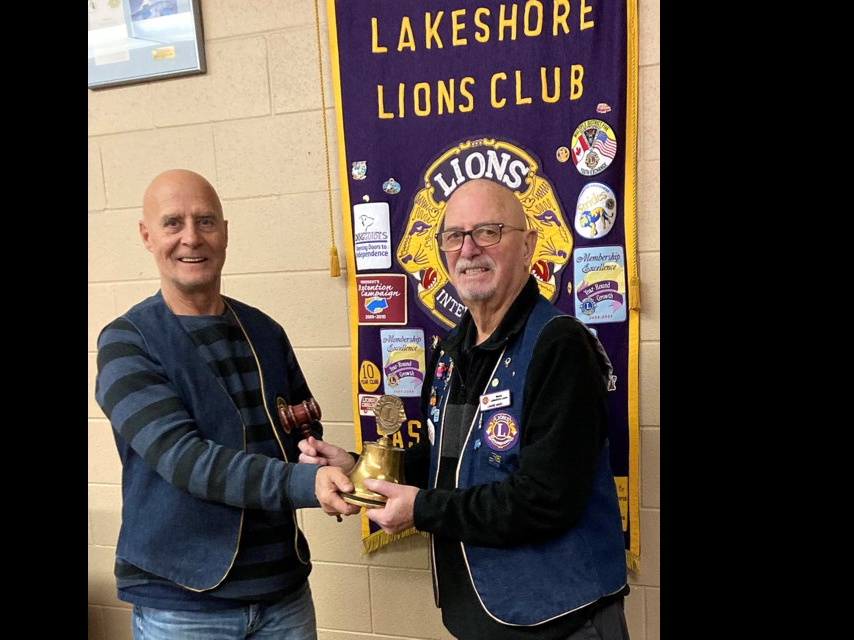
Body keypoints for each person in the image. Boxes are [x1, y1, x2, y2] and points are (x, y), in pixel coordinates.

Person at [301, 178, 629, 639]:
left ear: (529, 244)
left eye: (489, 231)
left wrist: (423, 511)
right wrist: (359, 468)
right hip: (477, 616)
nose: (469, 249)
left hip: (559, 621)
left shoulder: (559, 346)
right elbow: (448, 465)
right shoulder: (453, 350)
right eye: (454, 236)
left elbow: (547, 498)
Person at [95, 168, 359, 640]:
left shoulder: (265, 331)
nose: (191, 238)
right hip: (182, 607)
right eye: (173, 223)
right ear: (147, 236)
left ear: (225, 232)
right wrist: (308, 482)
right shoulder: (126, 343)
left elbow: (301, 438)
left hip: (285, 596)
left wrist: (338, 466)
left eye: (206, 221)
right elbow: (185, 460)